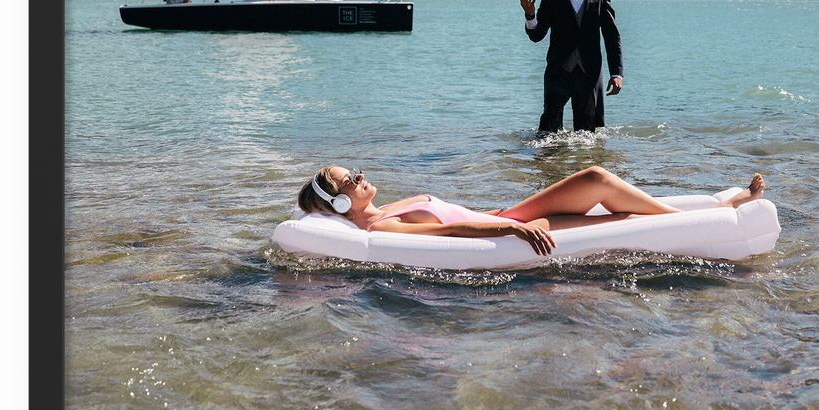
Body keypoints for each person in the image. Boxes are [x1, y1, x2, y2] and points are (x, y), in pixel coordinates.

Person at [298, 163, 768, 257]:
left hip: (509, 213)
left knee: (600, 187)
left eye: (354, 171)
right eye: (349, 180)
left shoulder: (387, 206)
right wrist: (513, 231)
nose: (360, 177)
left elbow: (454, 211)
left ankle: (718, 205)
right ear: (340, 202)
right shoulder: (384, 227)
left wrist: (501, 214)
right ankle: (720, 209)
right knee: (599, 185)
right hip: (513, 226)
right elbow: (448, 233)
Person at [518, 0, 622, 135]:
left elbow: (612, 38)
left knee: (587, 136)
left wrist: (616, 74)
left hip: (589, 74)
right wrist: (530, 15)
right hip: (558, 73)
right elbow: (536, 36)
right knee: (547, 134)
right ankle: (549, 165)